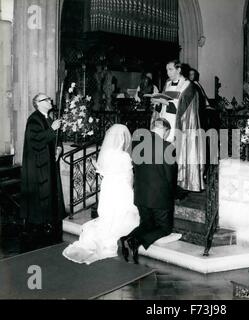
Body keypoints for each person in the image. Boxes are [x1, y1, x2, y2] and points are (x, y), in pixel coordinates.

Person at [63, 124, 140, 264]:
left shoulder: (107, 154)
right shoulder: (123, 156)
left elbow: (102, 171)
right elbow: (129, 176)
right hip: (120, 188)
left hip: (108, 187)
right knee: (122, 213)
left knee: (108, 212)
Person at [122, 118, 177, 264]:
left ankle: (125, 239)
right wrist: (174, 194)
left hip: (141, 194)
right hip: (159, 196)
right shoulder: (167, 147)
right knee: (165, 228)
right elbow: (170, 176)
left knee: (146, 224)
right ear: (165, 131)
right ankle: (135, 241)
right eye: (167, 133)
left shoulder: (137, 143)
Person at [150, 59, 205, 193]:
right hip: (165, 122)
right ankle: (164, 180)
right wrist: (157, 101)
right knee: (163, 152)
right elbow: (162, 102)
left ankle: (179, 182)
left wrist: (171, 104)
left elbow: (189, 109)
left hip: (180, 124)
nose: (168, 73)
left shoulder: (188, 86)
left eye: (170, 69)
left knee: (177, 154)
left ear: (178, 70)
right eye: (167, 70)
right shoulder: (167, 84)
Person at [20, 93, 66, 250]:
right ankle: (39, 226)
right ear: (38, 103)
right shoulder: (34, 119)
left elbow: (56, 139)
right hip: (39, 165)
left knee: (51, 193)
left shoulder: (49, 118)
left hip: (49, 163)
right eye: (46, 99)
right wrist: (52, 130)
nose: (50, 101)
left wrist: (59, 148)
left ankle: (49, 223)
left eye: (49, 99)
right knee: (42, 194)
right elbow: (36, 140)